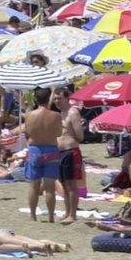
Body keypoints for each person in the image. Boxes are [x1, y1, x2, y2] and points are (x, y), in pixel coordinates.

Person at [24, 87, 62, 222]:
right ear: (49, 99)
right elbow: (59, 133)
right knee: (50, 187)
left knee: (33, 185)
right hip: (50, 150)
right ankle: (51, 216)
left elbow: (27, 132)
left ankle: (33, 215)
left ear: (36, 99)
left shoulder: (28, 115)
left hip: (34, 150)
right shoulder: (55, 116)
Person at [55, 86, 85, 224]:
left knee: (71, 185)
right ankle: (67, 212)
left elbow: (80, 136)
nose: (57, 101)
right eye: (55, 98)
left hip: (70, 151)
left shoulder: (73, 113)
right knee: (64, 184)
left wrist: (69, 136)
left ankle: (72, 214)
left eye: (60, 98)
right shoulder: (60, 113)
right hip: (60, 152)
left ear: (67, 98)